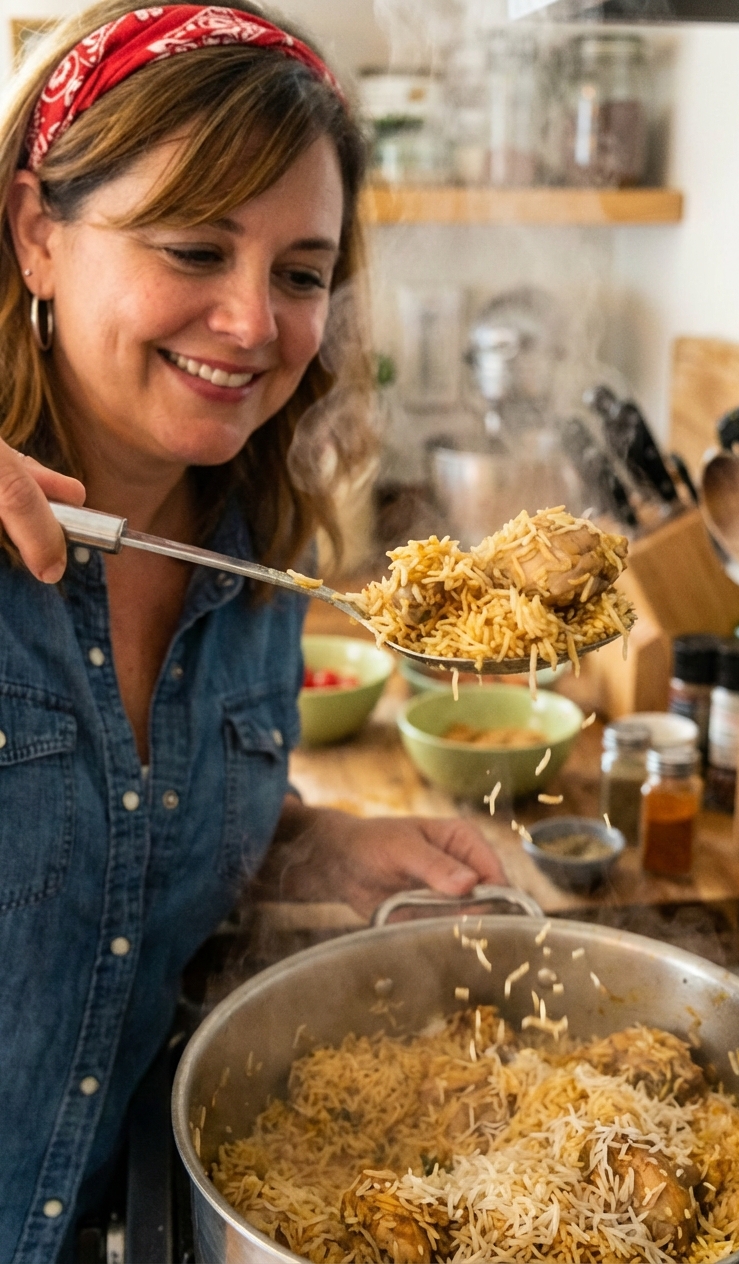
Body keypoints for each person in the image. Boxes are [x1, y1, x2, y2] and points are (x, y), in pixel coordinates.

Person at [0, 5, 506, 1259]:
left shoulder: (257, 569)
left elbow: (122, 839)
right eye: (192, 248)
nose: (251, 324)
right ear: (36, 234)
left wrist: (320, 851)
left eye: (298, 274)